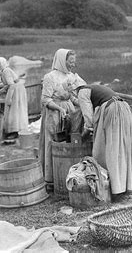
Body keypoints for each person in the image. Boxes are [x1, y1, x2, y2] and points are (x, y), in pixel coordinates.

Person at [73, 83, 132, 196]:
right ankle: (124, 185)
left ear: (75, 89)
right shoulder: (94, 88)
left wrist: (84, 134)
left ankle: (114, 187)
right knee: (122, 147)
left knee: (110, 148)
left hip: (113, 110)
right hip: (124, 108)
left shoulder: (82, 92)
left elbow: (88, 117)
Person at [39, 49, 84, 188]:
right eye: (70, 62)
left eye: (74, 62)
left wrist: (83, 104)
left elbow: (72, 97)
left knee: (69, 140)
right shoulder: (50, 77)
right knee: (54, 140)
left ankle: (67, 172)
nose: (72, 64)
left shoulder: (70, 76)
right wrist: (60, 109)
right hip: (54, 112)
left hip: (68, 110)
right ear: (62, 61)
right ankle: (52, 177)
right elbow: (45, 99)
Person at [0, 57, 29, 140]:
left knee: (14, 110)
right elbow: (12, 82)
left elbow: (12, 84)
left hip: (16, 90)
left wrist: (9, 98)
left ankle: (15, 131)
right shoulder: (4, 70)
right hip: (16, 88)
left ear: (3, 63)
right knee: (16, 110)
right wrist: (3, 89)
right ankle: (16, 129)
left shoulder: (6, 71)